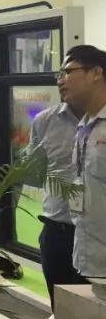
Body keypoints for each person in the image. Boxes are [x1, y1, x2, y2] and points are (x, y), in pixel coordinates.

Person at [27, 94, 85, 308]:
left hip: (97, 235)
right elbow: (34, 170)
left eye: (68, 76)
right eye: (59, 77)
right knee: (61, 311)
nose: (62, 80)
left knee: (95, 314)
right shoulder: (44, 121)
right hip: (57, 232)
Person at [56, 45, 106, 281]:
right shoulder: (85, 127)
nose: (61, 80)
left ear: (96, 73)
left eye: (68, 72)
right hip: (87, 258)